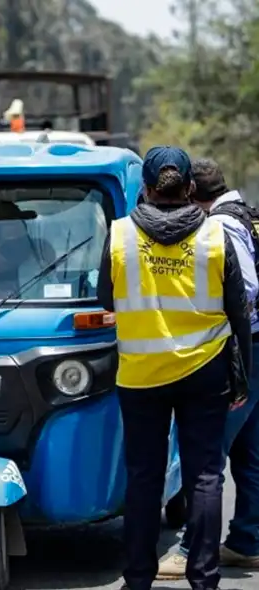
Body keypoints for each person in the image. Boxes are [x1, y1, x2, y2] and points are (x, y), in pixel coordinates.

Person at [97, 146, 252, 590]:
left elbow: (107, 300)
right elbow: (238, 312)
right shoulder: (216, 236)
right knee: (204, 476)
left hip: (141, 375)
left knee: (143, 477)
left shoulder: (121, 234)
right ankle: (203, 579)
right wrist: (242, 374)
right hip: (205, 372)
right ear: (189, 189)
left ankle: (139, 579)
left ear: (145, 189)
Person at [158, 157, 259, 578]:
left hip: (240, 350)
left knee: (206, 454)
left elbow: (247, 288)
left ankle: (189, 549)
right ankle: (246, 541)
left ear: (192, 196)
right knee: (249, 452)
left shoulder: (219, 227)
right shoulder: (250, 217)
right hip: (255, 350)